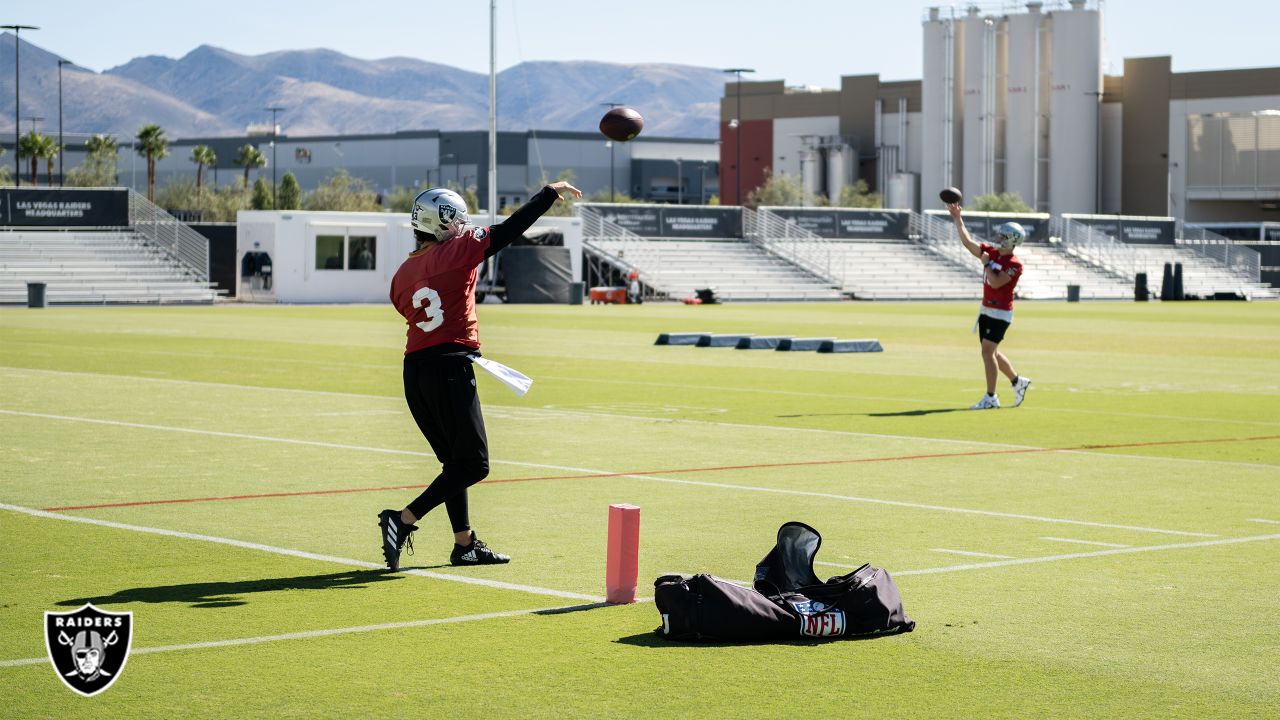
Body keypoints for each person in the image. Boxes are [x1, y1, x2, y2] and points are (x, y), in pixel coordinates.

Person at [379, 180, 582, 571]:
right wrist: (546, 195)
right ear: (441, 224)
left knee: (454, 464)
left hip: (415, 371)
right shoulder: (455, 250)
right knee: (474, 465)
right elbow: (507, 231)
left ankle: (464, 544)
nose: (461, 226)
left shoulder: (402, 273)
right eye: (455, 221)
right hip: (449, 367)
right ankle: (403, 519)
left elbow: (409, 310)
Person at [946, 203, 1032, 410]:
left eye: (1003, 236)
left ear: (1011, 239)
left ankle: (991, 397)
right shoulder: (992, 253)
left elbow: (996, 282)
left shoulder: (1014, 264)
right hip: (986, 309)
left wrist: (985, 263)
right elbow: (968, 242)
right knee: (991, 352)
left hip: (1000, 312)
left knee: (987, 353)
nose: (998, 238)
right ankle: (1017, 381)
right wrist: (957, 218)